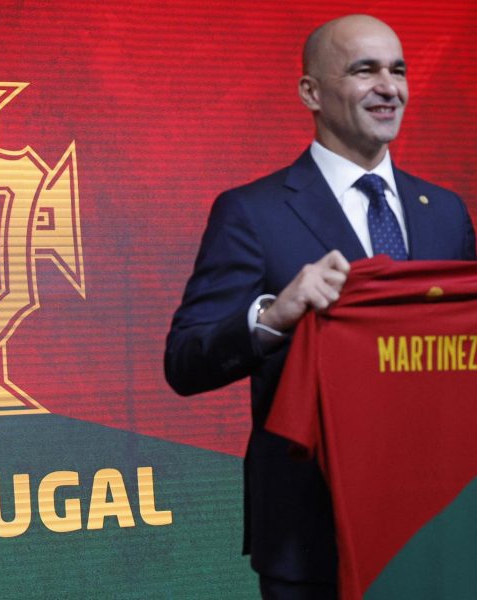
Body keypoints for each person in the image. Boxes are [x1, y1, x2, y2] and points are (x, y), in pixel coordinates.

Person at [164, 14, 476, 600]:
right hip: (312, 535)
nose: (389, 87)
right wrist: (273, 317)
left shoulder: (446, 211)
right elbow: (184, 361)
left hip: (435, 528)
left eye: (398, 70)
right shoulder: (251, 212)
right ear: (311, 92)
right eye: (365, 70)